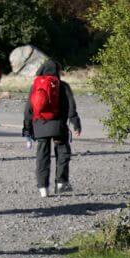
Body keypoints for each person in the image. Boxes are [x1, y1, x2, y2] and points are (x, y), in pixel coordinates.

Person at [22, 59, 82, 197]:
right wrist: (76, 123)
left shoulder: (35, 86)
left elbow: (28, 110)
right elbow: (71, 107)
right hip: (58, 127)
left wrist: (27, 128)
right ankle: (61, 183)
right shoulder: (63, 86)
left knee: (42, 157)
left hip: (39, 126)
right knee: (63, 153)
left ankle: (43, 188)